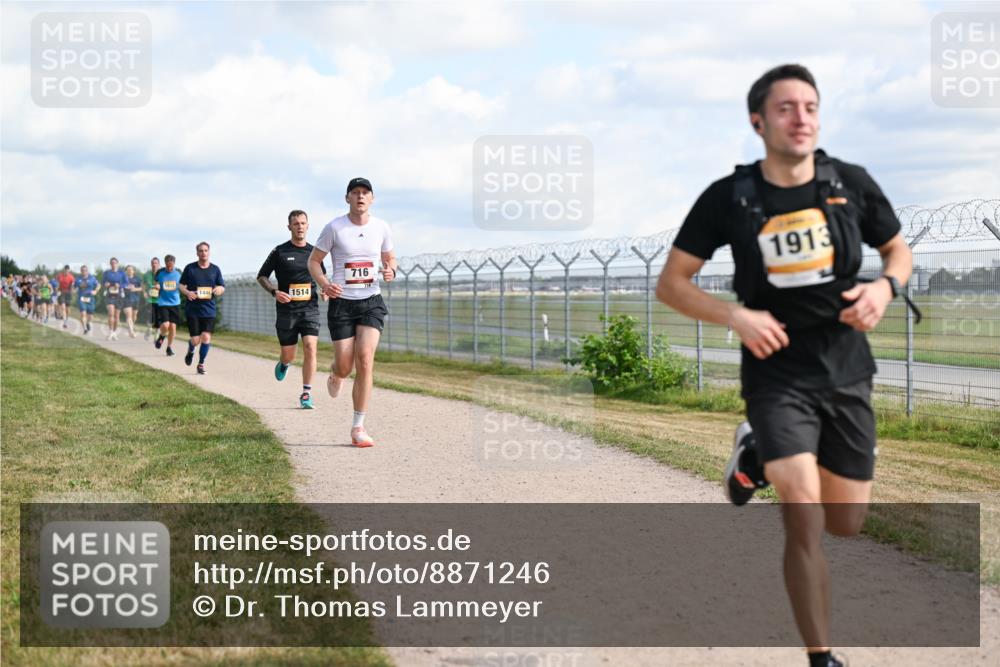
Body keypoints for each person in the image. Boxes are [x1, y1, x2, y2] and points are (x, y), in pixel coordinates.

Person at [655, 64, 913, 667]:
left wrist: (884, 289)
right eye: (786, 108)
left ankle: (754, 454)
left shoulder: (849, 182)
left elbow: (897, 250)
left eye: (811, 107)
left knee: (846, 521)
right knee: (804, 514)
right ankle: (821, 657)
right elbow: (672, 283)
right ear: (758, 122)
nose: (801, 119)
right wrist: (735, 316)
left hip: (845, 367)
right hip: (775, 373)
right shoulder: (730, 196)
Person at [308, 177, 396, 447]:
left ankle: (358, 426)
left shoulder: (381, 227)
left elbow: (389, 258)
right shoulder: (334, 228)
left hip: (371, 300)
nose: (360, 196)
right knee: (346, 366)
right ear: (347, 198)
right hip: (342, 303)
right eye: (355, 192)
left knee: (365, 359)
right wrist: (325, 283)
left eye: (365, 192)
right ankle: (336, 374)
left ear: (372, 199)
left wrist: (391, 269)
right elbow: (314, 261)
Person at [257, 210, 327, 409]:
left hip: (309, 309)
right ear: (289, 227)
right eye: (296, 223)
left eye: (303, 223)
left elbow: (322, 277)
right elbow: (262, 276)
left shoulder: (314, 253)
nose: (300, 227)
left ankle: (306, 393)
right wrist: (274, 291)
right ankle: (284, 363)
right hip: (287, 311)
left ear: (308, 226)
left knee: (310, 347)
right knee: (289, 355)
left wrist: (325, 290)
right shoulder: (280, 251)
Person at [179, 242, 225, 375]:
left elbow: (222, 286)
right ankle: (191, 349)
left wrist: (219, 290)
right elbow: (181, 285)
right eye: (201, 251)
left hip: (209, 309)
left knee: (206, 337)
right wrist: (188, 293)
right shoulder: (190, 268)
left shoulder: (215, 269)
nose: (203, 253)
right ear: (197, 253)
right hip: (193, 309)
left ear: (209, 252)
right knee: (195, 340)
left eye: (205, 250)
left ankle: (201, 364)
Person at [154, 255, 182, 356]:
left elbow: (184, 284)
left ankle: (169, 348)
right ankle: (162, 336)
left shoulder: (179, 272)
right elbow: (156, 282)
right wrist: (157, 286)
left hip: (175, 303)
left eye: (171, 266)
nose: (169, 268)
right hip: (163, 302)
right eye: (168, 266)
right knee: (166, 325)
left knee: (173, 327)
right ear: (165, 263)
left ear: (174, 263)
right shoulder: (160, 272)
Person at [102, 257, 126, 340]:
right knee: (110, 313)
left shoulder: (122, 273)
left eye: (115, 263)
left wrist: (119, 285)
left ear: (117, 264)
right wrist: (105, 284)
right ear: (110, 264)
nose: (113, 264)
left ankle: (114, 333)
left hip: (119, 295)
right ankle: (110, 332)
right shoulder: (106, 273)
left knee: (117, 316)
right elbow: (103, 282)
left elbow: (126, 283)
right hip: (109, 295)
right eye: (112, 263)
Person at [75, 265, 100, 334]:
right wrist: (74, 290)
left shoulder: (92, 278)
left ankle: (88, 323)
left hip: (90, 298)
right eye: (82, 270)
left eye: (85, 270)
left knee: (91, 316)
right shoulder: (78, 279)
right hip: (81, 298)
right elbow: (74, 287)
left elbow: (98, 285)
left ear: (87, 271)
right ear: (81, 271)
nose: (84, 272)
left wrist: (95, 291)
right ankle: (85, 329)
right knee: (83, 313)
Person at [143, 257, 162, 338]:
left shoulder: (163, 274)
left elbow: (166, 285)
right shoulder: (147, 274)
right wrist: (144, 292)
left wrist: (160, 286)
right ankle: (149, 329)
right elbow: (143, 284)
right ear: (151, 264)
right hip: (150, 299)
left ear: (159, 264)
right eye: (153, 263)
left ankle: (157, 333)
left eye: (156, 263)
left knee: (158, 318)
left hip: (160, 300)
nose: (154, 264)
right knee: (149, 316)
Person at [122, 265, 143, 337]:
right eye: (127, 270)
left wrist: (135, 289)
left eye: (130, 270)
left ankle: (131, 327)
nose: (129, 271)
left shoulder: (138, 279)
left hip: (135, 299)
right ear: (125, 271)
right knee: (129, 315)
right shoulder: (123, 279)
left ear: (133, 271)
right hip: (126, 299)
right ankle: (131, 331)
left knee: (134, 316)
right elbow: (119, 287)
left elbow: (142, 288)